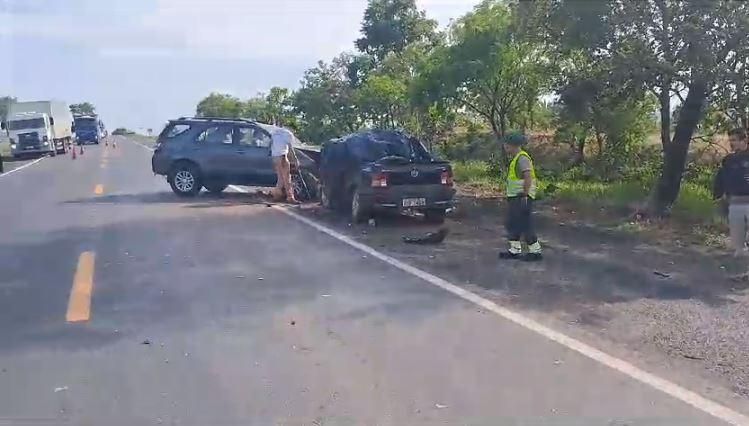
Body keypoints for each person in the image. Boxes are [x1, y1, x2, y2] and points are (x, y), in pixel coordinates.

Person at [499, 132, 542, 261]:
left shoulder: (522, 158)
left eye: (506, 144)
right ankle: (514, 250)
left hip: (521, 197)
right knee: (513, 223)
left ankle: (535, 251)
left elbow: (527, 176)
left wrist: (525, 194)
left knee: (524, 224)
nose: (505, 147)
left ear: (512, 145)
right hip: (515, 197)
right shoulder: (516, 158)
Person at [713, 127, 749, 258]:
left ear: (744, 140)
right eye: (730, 140)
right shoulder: (728, 160)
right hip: (734, 203)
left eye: (734, 140)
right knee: (738, 243)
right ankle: (741, 270)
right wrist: (718, 195)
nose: (731, 143)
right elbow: (721, 178)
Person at [270, 126, 300, 203]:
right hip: (282, 156)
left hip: (275, 156)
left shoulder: (275, 132)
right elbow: (290, 148)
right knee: (287, 178)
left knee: (280, 178)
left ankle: (277, 195)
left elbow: (272, 144)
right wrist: (295, 159)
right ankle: (290, 197)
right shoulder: (288, 134)